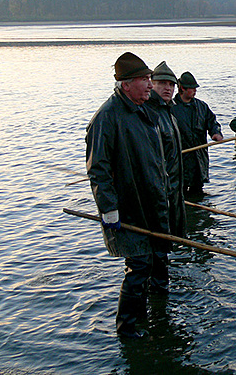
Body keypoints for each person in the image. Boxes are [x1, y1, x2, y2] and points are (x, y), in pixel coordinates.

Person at [86, 52, 181, 339]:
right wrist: (109, 210)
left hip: (152, 205)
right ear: (126, 84)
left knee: (152, 262)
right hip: (129, 209)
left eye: (150, 79)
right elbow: (98, 170)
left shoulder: (143, 112)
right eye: (144, 80)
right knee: (138, 267)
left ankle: (146, 318)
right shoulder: (107, 117)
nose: (150, 85)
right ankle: (126, 329)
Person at [145, 61, 187, 292]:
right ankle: (158, 296)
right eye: (162, 83)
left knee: (163, 248)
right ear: (151, 84)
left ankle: (159, 293)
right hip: (157, 195)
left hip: (170, 191)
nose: (168, 88)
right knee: (155, 251)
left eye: (171, 84)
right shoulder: (148, 113)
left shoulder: (168, 112)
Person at [170, 71, 224, 198]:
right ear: (182, 88)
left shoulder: (201, 106)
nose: (195, 91)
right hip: (180, 162)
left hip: (199, 159)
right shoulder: (170, 108)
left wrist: (216, 133)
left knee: (198, 193)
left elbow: (212, 122)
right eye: (192, 88)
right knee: (180, 194)